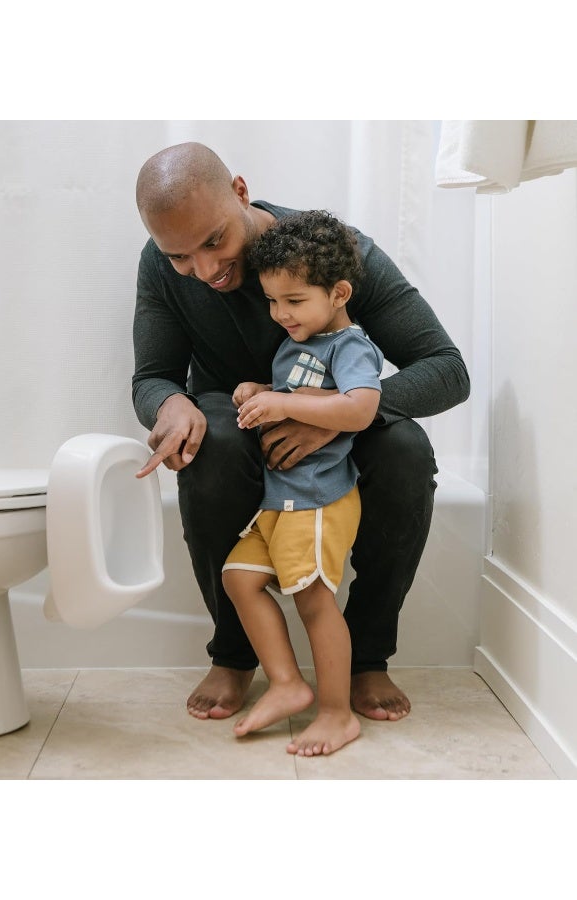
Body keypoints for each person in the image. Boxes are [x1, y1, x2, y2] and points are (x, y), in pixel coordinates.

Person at [133, 141, 470, 723]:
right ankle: (235, 655)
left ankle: (367, 658)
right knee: (208, 445)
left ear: (240, 191)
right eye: (181, 257)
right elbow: (153, 377)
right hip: (234, 423)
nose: (205, 271)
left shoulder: (334, 253)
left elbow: (446, 369)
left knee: (406, 450)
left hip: (337, 424)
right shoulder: (160, 265)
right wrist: (169, 403)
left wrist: (329, 412)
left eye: (214, 242)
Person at [222, 209, 383, 756]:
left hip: (317, 498)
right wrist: (260, 389)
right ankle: (288, 683)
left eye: (294, 301)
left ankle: (337, 713)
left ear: (338, 293)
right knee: (240, 578)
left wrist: (281, 401)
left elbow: (360, 407)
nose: (280, 313)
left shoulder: (349, 346)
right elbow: (306, 393)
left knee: (315, 602)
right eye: (272, 301)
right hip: (280, 497)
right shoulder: (302, 343)